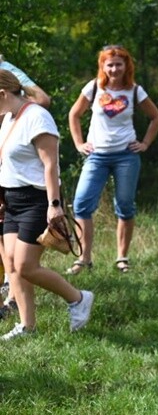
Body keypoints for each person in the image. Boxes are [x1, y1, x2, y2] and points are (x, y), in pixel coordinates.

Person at [0, 70, 94, 339]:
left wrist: (54, 205)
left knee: (26, 266)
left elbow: (50, 165)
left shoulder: (37, 117)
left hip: (37, 200)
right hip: (12, 201)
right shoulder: (9, 118)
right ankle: (27, 325)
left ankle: (78, 299)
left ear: (2, 94)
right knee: (12, 265)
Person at [66, 45, 158, 275]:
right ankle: (84, 259)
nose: (114, 69)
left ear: (127, 66)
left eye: (119, 64)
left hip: (126, 156)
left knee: (125, 205)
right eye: (110, 65)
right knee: (81, 204)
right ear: (103, 66)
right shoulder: (93, 87)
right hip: (96, 156)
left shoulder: (135, 90)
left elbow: (155, 117)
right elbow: (74, 114)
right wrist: (79, 144)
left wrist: (145, 143)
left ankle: (122, 258)